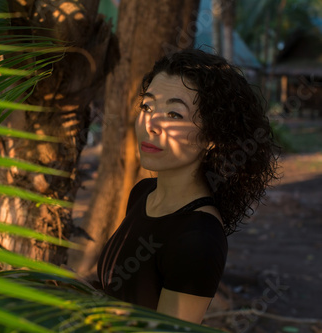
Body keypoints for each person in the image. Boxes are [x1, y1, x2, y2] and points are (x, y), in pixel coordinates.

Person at [96, 49, 280, 324]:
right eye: (147, 106)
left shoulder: (198, 238)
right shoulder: (143, 193)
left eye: (174, 114)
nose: (151, 124)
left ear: (212, 136)